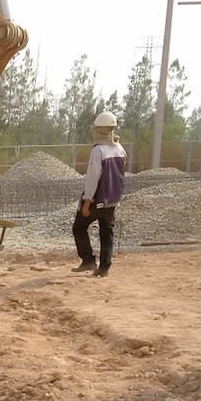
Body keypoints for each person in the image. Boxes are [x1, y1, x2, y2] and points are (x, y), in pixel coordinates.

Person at [72, 111, 127, 278]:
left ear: (99, 130)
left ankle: (88, 260)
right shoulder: (119, 148)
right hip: (112, 199)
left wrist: (87, 201)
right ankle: (104, 268)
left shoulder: (98, 151)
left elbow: (92, 178)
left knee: (79, 227)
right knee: (106, 232)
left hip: (97, 198)